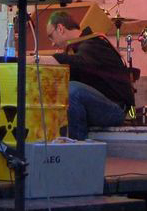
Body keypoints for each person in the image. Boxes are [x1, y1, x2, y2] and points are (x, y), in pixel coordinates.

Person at [44, 10, 131, 140]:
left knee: (72, 90)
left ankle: (78, 145)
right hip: (101, 106)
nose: (52, 43)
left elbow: (78, 63)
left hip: (116, 110)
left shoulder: (94, 44)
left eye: (51, 36)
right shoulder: (78, 48)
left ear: (60, 28)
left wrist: (41, 59)